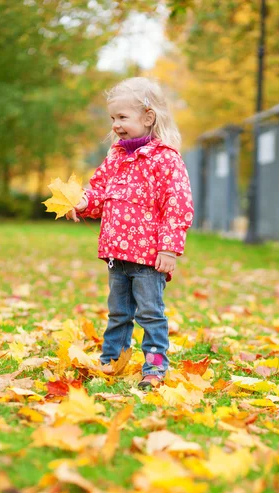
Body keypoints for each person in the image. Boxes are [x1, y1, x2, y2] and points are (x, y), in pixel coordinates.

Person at [66, 77, 193, 389]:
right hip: (116, 254)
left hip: (148, 256)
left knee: (150, 313)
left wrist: (169, 248)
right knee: (118, 312)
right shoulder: (116, 156)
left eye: (122, 117)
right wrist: (82, 202)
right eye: (113, 118)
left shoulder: (165, 159)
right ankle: (113, 360)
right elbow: (98, 192)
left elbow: (177, 205)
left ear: (148, 117)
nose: (116, 125)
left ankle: (156, 365)